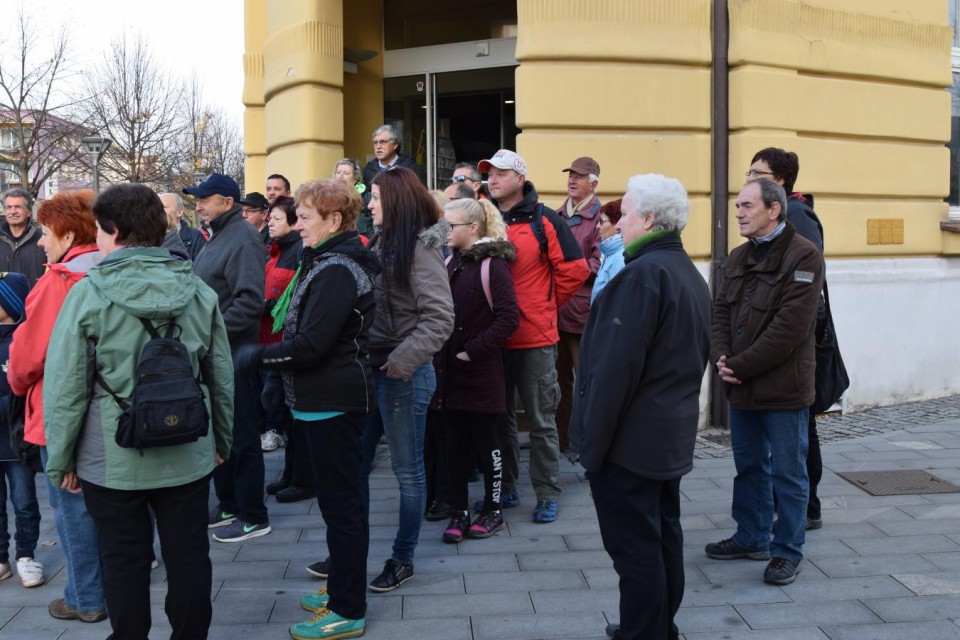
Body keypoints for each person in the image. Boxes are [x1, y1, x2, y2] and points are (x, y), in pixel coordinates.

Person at [43, 183, 235, 640]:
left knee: (123, 559)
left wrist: (61, 459)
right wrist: (222, 440)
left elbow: (67, 388)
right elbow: (220, 377)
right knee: (189, 557)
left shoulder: (86, 296)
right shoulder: (198, 291)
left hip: (110, 457)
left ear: (113, 231)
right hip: (188, 448)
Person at [235, 178, 379, 640]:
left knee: (342, 508)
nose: (297, 223)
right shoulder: (326, 260)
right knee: (341, 505)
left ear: (334, 220)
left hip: (334, 402)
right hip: (321, 401)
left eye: (304, 216)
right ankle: (342, 586)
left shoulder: (337, 268)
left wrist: (255, 356)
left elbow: (313, 345)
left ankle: (347, 608)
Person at [571, 174, 711, 640]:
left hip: (630, 444)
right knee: (661, 536)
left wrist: (592, 448)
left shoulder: (644, 275)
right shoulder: (684, 271)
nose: (617, 221)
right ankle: (653, 625)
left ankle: (644, 631)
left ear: (650, 219)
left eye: (625, 213)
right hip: (664, 436)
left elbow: (613, 373)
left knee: (636, 549)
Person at [705, 179, 823, 586]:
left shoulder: (804, 255)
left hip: (784, 389)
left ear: (774, 209)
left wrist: (739, 365)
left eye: (747, 205)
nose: (738, 212)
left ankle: (786, 551)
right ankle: (751, 536)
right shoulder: (737, 256)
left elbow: (790, 329)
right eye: (737, 205)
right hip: (742, 384)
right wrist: (720, 356)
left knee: (788, 472)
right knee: (749, 466)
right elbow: (719, 310)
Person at [8, 190, 106, 622]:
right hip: (107, 407)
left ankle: (86, 597)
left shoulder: (60, 280)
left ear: (66, 233)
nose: (41, 243)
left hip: (60, 410)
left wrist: (13, 373)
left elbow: (28, 358)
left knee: (71, 507)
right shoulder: (107, 268)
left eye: (45, 233)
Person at [480, 149, 589, 523]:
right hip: (493, 338)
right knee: (500, 418)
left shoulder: (546, 220)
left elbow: (574, 270)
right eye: (489, 173)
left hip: (534, 336)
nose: (492, 179)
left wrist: (543, 305)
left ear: (519, 178)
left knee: (541, 421)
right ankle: (506, 487)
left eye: (500, 173)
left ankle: (546, 493)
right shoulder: (484, 218)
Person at [362, 165, 453, 591]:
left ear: (395, 201)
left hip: (403, 374)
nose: (369, 204)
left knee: (408, 471)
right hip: (372, 369)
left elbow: (439, 319)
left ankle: (403, 558)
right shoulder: (383, 241)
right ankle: (347, 549)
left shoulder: (420, 248)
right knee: (356, 465)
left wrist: (401, 361)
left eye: (376, 198)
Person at [184, 173, 271, 543]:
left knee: (242, 434)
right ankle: (229, 504)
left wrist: (208, 334)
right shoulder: (216, 235)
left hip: (232, 355)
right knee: (220, 432)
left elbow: (250, 302)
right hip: (213, 355)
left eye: (205, 199)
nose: (199, 205)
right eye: (197, 199)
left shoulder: (244, 238)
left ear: (228, 203)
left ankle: (254, 514)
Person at [747, 147, 826, 530]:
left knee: (798, 429)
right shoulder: (763, 220)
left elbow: (805, 285)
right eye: (748, 172)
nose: (749, 179)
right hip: (768, 344)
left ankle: (806, 507)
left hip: (795, 347)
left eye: (758, 173)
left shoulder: (800, 219)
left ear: (780, 182)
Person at [434, 198, 519, 543]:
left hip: (480, 374)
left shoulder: (492, 266)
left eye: (450, 226)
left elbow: (509, 318)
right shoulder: (449, 262)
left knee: (488, 445)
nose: (445, 231)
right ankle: (459, 511)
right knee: (452, 447)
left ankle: (493, 510)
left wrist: (473, 351)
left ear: (472, 228)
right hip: (448, 376)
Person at [260, 196, 314, 502]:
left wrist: (266, 305)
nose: (270, 222)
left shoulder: (299, 252)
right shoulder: (275, 251)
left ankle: (303, 479)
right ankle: (291, 474)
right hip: (274, 343)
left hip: (287, 345)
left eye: (277, 218)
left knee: (297, 418)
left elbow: (292, 300)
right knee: (285, 411)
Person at [555, 157, 603, 451]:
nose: (572, 180)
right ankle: (563, 440)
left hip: (582, 313)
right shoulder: (559, 215)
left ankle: (590, 442)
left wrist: (566, 270)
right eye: (570, 175)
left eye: (579, 176)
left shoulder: (601, 218)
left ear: (594, 183)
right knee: (558, 382)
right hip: (556, 310)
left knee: (587, 381)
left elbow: (600, 263)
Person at [0, 272, 43, 589]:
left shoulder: (24, 338)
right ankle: (1, 557)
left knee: (24, 501)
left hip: (16, 440)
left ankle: (26, 554)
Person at [0, 188, 46, 287]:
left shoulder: (43, 239)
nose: (13, 211)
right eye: (8, 207)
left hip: (36, 301)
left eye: (17, 207)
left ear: (29, 211)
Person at [591, 199, 625, 303]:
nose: (597, 226)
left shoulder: (621, 257)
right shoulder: (610, 253)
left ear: (618, 226)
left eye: (602, 221)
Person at [160, 193, 206, 260]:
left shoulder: (195, 237)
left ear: (179, 212)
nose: (157, 211)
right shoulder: (148, 238)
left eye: (163, 207)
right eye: (156, 207)